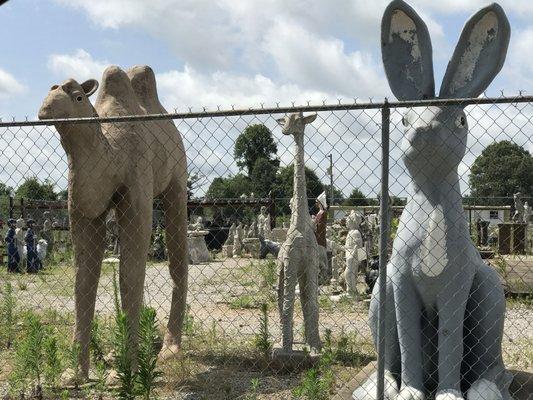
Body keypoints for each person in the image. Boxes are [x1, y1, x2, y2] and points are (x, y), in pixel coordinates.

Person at [315, 191, 329, 284]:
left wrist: (314, 223)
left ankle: (324, 277)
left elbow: (320, 226)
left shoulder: (323, 213)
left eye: (317, 202)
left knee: (321, 260)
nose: (316, 204)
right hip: (316, 239)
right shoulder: (319, 213)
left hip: (319, 239)